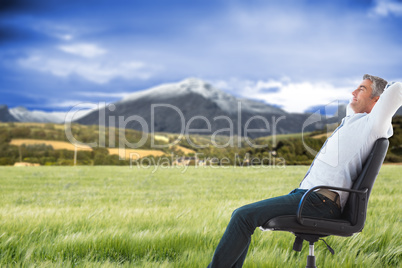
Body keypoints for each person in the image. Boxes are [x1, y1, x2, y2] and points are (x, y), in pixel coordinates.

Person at [207, 74, 402, 268]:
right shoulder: (352, 121)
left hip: (319, 202)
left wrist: (382, 92)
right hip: (308, 198)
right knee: (243, 218)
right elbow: (351, 107)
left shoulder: (373, 125)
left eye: (362, 89)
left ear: (377, 100)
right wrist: (361, 94)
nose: (353, 92)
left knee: (242, 216)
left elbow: (396, 90)